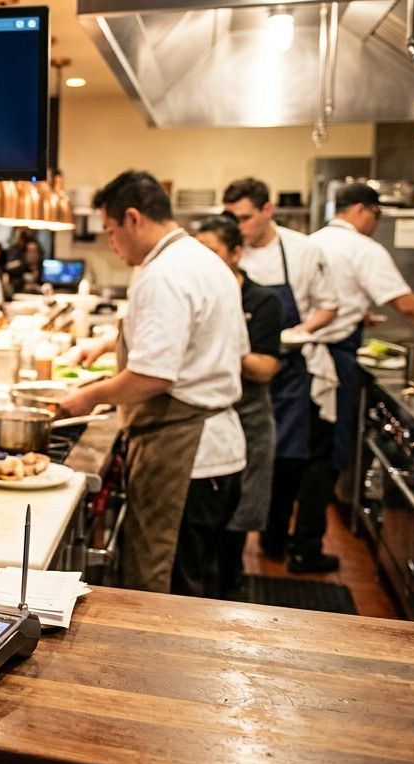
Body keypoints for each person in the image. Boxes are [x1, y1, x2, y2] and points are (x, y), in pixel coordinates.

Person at [58, 171, 247, 597]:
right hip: (216, 455)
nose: (112, 244)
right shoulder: (204, 261)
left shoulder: (164, 273)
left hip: (186, 457)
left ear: (133, 218)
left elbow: (153, 376)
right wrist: (110, 346)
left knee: (167, 593)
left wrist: (89, 396)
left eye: (111, 231)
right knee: (196, 586)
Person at [292, 183, 414, 573]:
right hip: (333, 361)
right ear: (363, 209)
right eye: (376, 216)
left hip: (301, 360)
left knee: (301, 451)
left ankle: (280, 540)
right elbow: (407, 305)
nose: (375, 224)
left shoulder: (311, 241)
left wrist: (356, 315)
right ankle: (306, 548)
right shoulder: (364, 248)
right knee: (327, 456)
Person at [221, 178, 338, 567]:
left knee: (288, 460)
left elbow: (328, 305)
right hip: (243, 372)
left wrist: (297, 332)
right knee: (245, 458)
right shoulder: (229, 253)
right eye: (231, 218)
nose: (238, 227)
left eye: (245, 218)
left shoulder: (303, 250)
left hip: (292, 371)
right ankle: (239, 537)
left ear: (267, 210)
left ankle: (275, 539)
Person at [193, 215, 282, 597]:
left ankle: (230, 597)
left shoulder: (263, 301)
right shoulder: (199, 294)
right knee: (206, 531)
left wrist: (222, 347)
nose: (204, 260)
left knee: (235, 526)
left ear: (235, 253)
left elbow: (265, 368)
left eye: (211, 252)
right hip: (207, 420)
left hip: (249, 420)